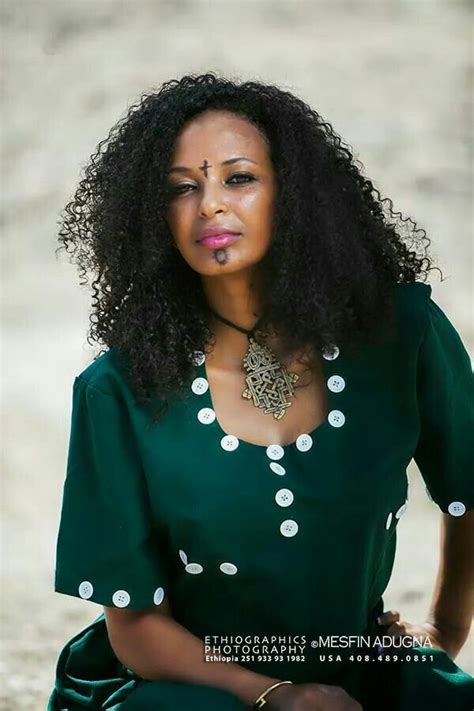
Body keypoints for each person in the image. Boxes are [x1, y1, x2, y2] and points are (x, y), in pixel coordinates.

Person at [48, 73, 473, 711]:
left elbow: (468, 489)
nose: (210, 205)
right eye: (181, 189)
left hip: (360, 662)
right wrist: (277, 694)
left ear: (295, 194)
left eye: (238, 178)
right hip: (194, 687)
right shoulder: (118, 391)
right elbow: (134, 630)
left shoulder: (401, 335)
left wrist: (445, 629)